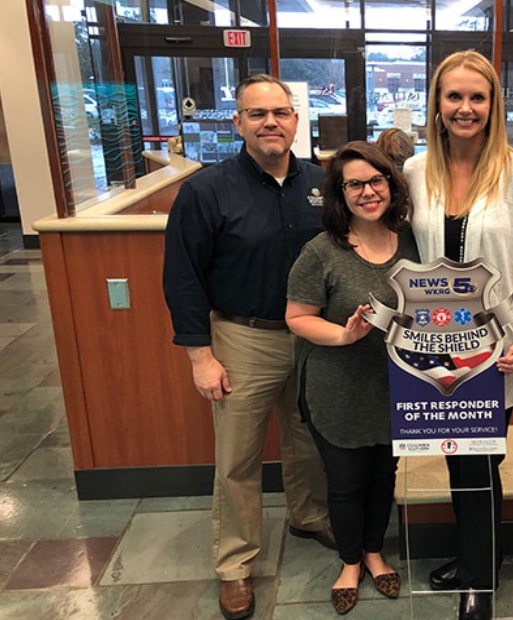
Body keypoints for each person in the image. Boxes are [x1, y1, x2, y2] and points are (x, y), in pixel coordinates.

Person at [163, 73, 333, 620]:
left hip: (312, 338)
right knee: (238, 457)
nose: (270, 123)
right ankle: (234, 565)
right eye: (257, 114)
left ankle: (307, 516)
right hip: (243, 339)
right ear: (238, 122)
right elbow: (182, 276)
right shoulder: (206, 191)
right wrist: (200, 355)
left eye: (280, 113)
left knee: (308, 441)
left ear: (295, 119)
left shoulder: (321, 184)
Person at [404, 50, 513, 620]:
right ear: (437, 105)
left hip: (499, 348)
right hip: (434, 344)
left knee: (480, 461)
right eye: (454, 97)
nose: (465, 108)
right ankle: (476, 559)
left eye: (477, 97)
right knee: (453, 456)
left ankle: (477, 584)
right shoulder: (416, 173)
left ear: (493, 106)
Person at [285, 141, 418, 615]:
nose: (367, 192)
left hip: (397, 388)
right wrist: (344, 335)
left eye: (375, 180)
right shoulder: (321, 251)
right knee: (344, 482)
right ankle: (349, 562)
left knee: (384, 475)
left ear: (391, 184)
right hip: (337, 387)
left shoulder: (413, 243)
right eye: (354, 184)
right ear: (340, 195)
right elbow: (297, 317)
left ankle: (375, 551)